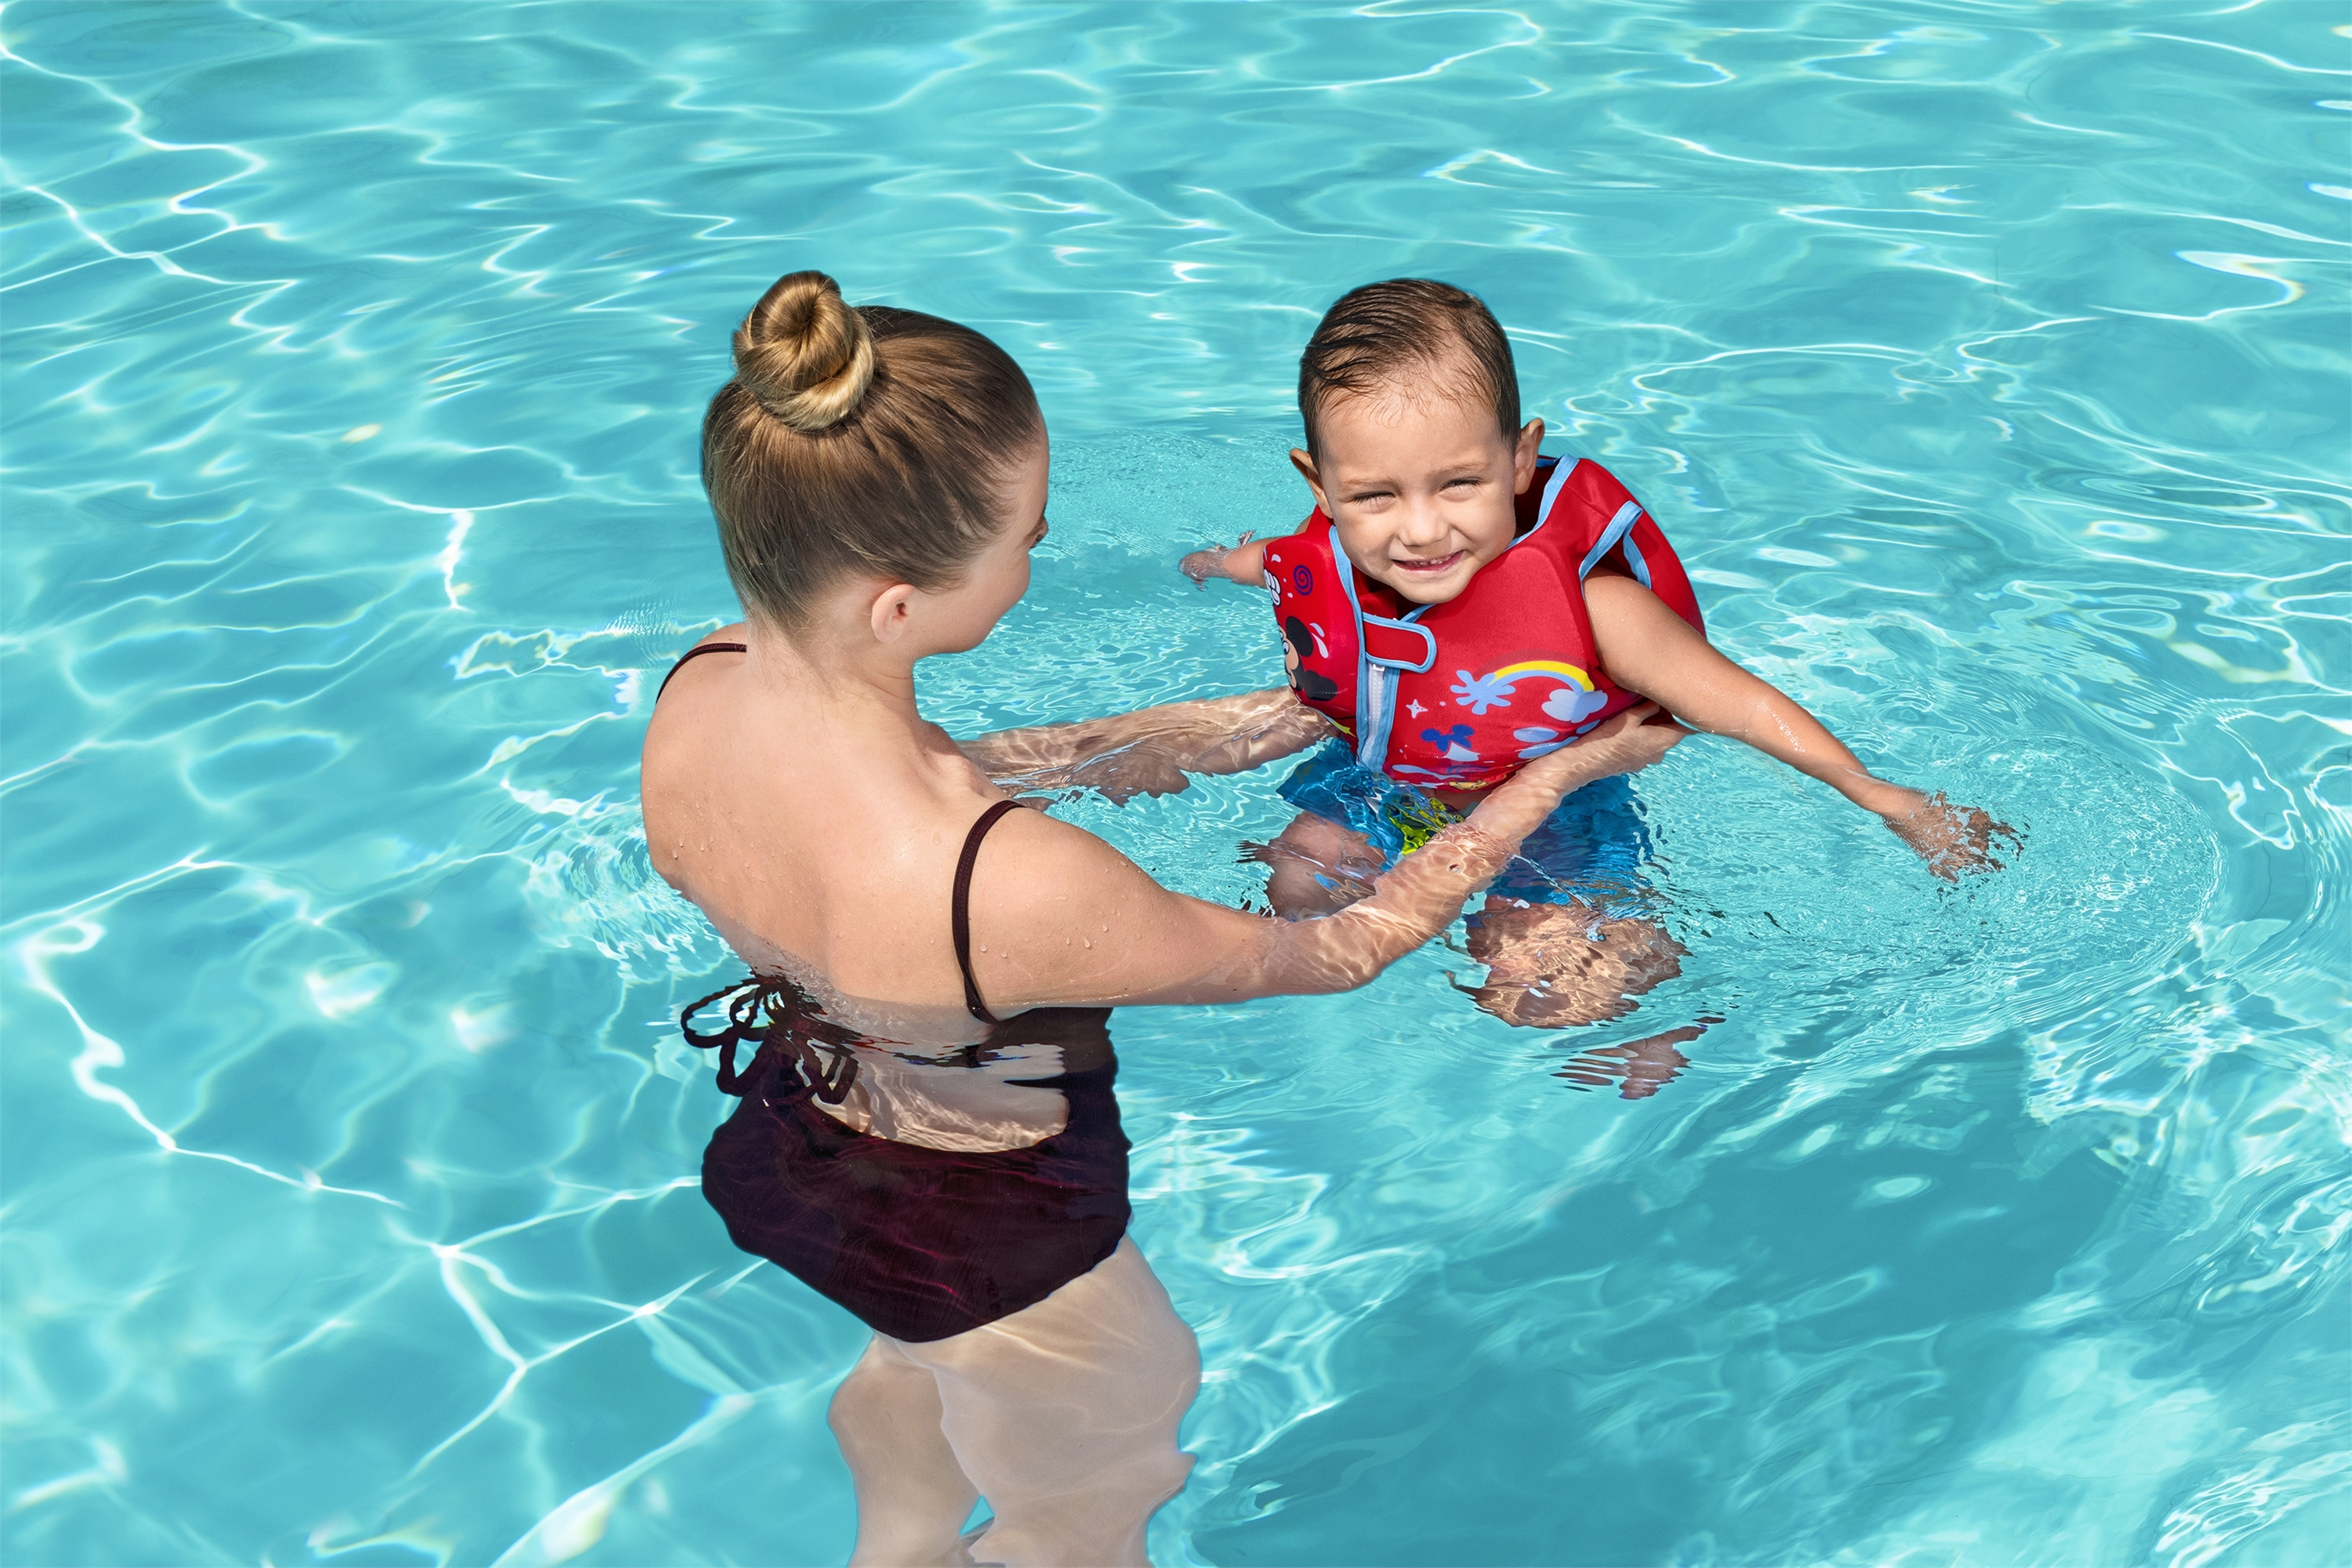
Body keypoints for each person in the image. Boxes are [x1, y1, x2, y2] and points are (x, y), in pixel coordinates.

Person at [639, 270, 1687, 1566]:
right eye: (1023, 536)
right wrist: (1550, 773)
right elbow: (1344, 949)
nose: (1035, 556)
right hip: (1004, 1249)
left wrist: (1230, 726)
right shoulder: (1009, 884)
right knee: (1094, 1493)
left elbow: (894, 794)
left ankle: (894, 1549)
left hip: (801, 1156)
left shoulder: (702, 690)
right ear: (901, 605)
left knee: (914, 1362)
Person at [1183, 278, 2012, 1036]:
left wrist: (1881, 795)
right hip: (1383, 778)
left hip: (1559, 813)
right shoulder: (1323, 560)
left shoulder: (1594, 606)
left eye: (1458, 484)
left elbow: (1742, 702)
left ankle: (1662, 993)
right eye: (1376, 495)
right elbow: (1280, 565)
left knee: (1542, 993)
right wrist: (1220, 562)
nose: (1422, 529)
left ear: (1518, 459)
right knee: (1292, 885)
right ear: (1321, 488)